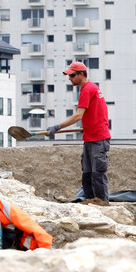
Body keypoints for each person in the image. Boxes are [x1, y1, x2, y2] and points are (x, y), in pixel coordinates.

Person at [47, 62, 111, 202]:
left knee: (98, 176)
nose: (69, 78)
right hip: (90, 138)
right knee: (87, 176)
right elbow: (98, 113)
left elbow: (77, 116)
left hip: (98, 139)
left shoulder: (87, 89)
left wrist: (57, 127)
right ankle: (90, 203)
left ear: (81, 74)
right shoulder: (91, 88)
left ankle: (102, 206)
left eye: (72, 75)